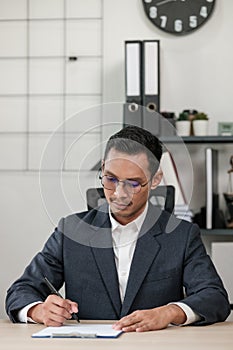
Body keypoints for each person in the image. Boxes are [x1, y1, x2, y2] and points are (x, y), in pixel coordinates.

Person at [6, 125, 230, 332]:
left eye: (133, 183)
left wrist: (170, 312)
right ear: (103, 168)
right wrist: (39, 310)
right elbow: (20, 291)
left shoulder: (181, 235)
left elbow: (215, 297)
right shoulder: (71, 231)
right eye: (111, 179)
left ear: (155, 179)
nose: (119, 194)